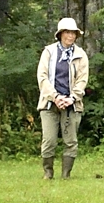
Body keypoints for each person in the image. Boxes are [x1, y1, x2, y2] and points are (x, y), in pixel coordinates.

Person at [36, 18, 89, 179]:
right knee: (49, 140)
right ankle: (48, 172)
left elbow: (82, 79)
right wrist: (56, 97)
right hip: (49, 103)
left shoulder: (81, 55)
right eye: (67, 32)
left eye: (73, 33)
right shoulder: (49, 52)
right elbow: (42, 77)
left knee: (71, 141)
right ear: (60, 34)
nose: (70, 36)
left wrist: (72, 98)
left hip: (72, 104)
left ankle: (66, 174)